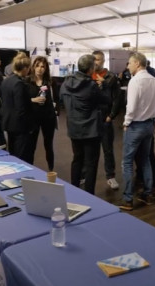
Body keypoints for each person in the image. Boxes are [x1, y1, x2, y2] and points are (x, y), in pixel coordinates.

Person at [117, 52, 155, 211]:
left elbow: (131, 107)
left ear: (137, 64)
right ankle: (147, 193)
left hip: (135, 126)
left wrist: (126, 122)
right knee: (146, 159)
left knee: (127, 162)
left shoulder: (135, 81)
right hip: (149, 125)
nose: (128, 66)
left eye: (129, 63)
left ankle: (127, 199)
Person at [60, 55, 108, 194]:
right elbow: (106, 100)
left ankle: (74, 190)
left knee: (77, 160)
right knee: (91, 164)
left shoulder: (66, 83)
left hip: (74, 128)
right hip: (91, 130)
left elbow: (62, 99)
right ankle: (89, 195)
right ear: (91, 68)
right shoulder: (91, 86)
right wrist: (103, 85)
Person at [92, 51, 123, 189]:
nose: (95, 62)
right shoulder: (87, 76)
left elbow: (117, 99)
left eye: (98, 59)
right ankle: (85, 175)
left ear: (103, 60)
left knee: (108, 150)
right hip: (91, 119)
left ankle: (110, 176)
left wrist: (111, 116)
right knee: (90, 150)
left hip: (105, 118)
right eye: (93, 59)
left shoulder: (111, 78)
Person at [1, 53, 34, 164]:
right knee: (22, 157)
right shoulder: (19, 84)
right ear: (25, 68)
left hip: (8, 123)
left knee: (13, 153)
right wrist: (29, 126)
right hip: (20, 126)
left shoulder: (6, 81)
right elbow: (21, 108)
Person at [27, 56, 59, 171]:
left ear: (46, 69)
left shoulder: (50, 82)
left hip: (48, 117)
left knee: (48, 145)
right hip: (33, 118)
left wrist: (56, 110)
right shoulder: (27, 81)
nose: (40, 69)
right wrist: (33, 100)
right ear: (33, 67)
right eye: (38, 66)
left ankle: (51, 169)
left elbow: (57, 99)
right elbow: (22, 99)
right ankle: (29, 168)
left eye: (43, 67)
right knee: (31, 145)